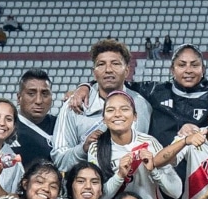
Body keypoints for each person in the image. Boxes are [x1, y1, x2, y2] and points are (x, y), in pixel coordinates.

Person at [68, 43, 208, 157]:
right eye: (182, 65)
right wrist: (86, 86)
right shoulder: (154, 91)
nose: (188, 70)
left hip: (198, 171)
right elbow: (115, 82)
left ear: (203, 69)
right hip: (159, 171)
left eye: (194, 65)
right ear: (172, 69)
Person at [88, 91, 182, 199]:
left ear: (135, 116)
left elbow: (176, 191)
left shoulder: (149, 143)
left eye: (124, 109)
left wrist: (154, 171)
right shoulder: (96, 149)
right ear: (103, 119)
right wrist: (119, 176)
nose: (117, 114)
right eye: (110, 110)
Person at [52, 40, 152, 171]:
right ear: (94, 73)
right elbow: (60, 160)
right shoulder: (73, 104)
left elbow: (143, 152)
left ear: (127, 70)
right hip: (86, 183)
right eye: (101, 64)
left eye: (115, 63)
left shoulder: (141, 105)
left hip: (130, 182)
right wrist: (83, 149)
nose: (108, 70)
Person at [11, 69, 56, 168]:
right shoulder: (7, 128)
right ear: (19, 98)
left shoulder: (61, 126)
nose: (39, 101)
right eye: (31, 94)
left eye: (45, 94)